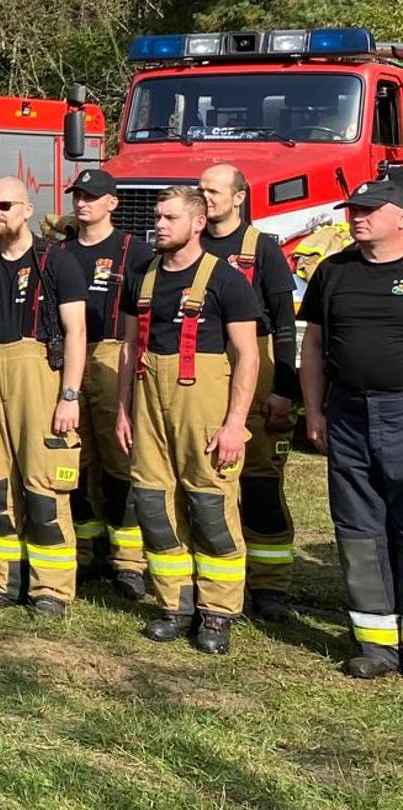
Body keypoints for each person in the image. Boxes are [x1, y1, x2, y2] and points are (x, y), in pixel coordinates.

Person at [118, 186, 260, 655]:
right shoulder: (142, 275)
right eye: (157, 217)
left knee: (210, 506)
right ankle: (175, 606)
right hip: (148, 399)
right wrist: (123, 408)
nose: (158, 225)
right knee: (154, 505)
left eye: (170, 218)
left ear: (198, 223)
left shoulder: (226, 281)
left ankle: (217, 613)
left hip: (203, 403)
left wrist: (235, 423)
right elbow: (126, 348)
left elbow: (247, 356)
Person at [0, 177, 89, 618]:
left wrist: (69, 396)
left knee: (43, 487)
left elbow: (76, 333)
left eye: (5, 205)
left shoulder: (57, 262)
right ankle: (2, 579)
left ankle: (50, 588)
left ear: (27, 210)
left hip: (39, 375)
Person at [300, 175, 403, 678]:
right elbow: (313, 346)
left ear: (400, 216)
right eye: (353, 209)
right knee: (359, 528)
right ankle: (377, 642)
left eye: (369, 209)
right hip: (348, 414)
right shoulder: (333, 271)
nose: (356, 216)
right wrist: (314, 411)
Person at [199, 164, 301, 623]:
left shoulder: (262, 249)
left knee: (260, 486)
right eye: (200, 190)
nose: (206, 198)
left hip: (256, 370)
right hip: (200, 369)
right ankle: (218, 582)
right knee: (207, 483)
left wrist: (283, 391)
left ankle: (270, 587)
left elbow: (283, 324)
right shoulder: (189, 242)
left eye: (214, 191)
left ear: (239, 196)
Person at [53, 169, 154, 599]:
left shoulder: (135, 252)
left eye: (92, 197)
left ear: (113, 203)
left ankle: (129, 560)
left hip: (112, 355)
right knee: (78, 461)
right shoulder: (60, 253)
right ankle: (88, 548)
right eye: (78, 196)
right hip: (66, 360)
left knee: (119, 462)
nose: (82, 204)